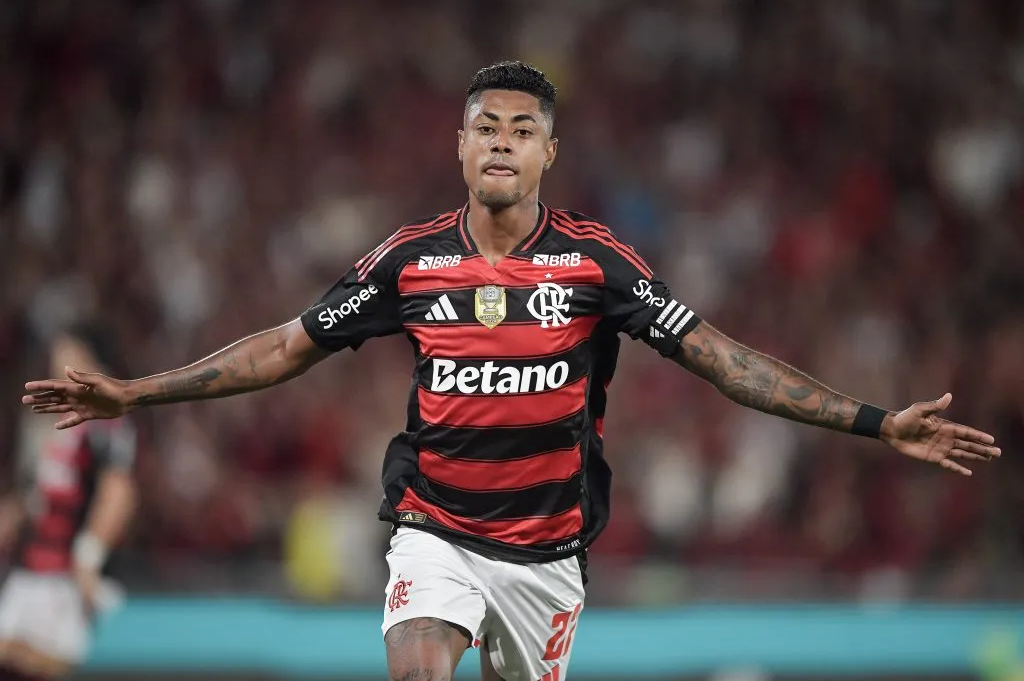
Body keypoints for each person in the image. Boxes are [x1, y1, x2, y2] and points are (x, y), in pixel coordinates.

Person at [22, 62, 1000, 681]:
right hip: (434, 524)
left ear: (548, 153)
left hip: (546, 550)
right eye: (484, 125)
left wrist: (876, 422)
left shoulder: (595, 262)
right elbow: (284, 345)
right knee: (414, 666)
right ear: (458, 145)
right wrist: (133, 389)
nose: (500, 140)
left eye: (520, 128)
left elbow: (721, 359)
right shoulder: (409, 259)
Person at [3, 324, 137, 681]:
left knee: (38, 665)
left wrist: (88, 558)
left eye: (71, 358)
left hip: (64, 576)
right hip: (25, 567)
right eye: (58, 357)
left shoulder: (107, 424)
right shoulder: (39, 422)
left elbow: (118, 492)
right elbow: (32, 494)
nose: (60, 366)